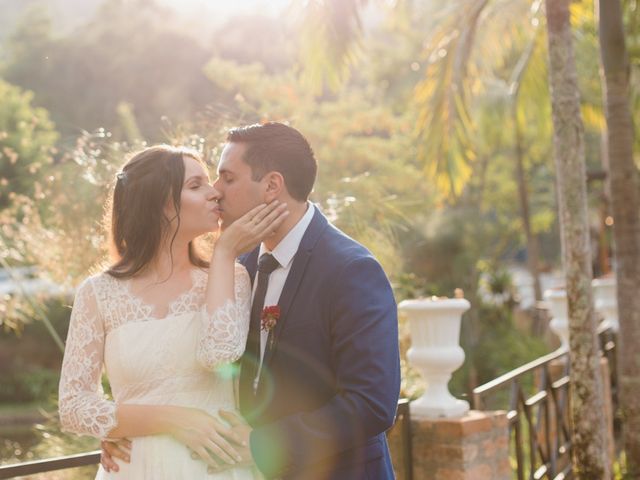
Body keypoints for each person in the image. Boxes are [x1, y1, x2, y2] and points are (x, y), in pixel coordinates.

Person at [102, 122, 401, 479]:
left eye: (227, 178)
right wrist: (130, 429)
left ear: (272, 185)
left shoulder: (350, 270)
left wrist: (264, 443)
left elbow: (371, 403)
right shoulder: (236, 267)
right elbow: (194, 372)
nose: (215, 191)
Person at [58, 144, 289, 478]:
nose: (215, 194)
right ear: (160, 205)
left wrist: (224, 253)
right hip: (135, 469)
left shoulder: (232, 275)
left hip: (215, 468)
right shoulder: (98, 293)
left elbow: (220, 354)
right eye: (196, 186)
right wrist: (174, 420)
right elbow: (74, 405)